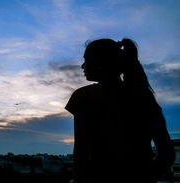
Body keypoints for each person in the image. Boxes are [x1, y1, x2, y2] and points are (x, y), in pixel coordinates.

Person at [65, 38, 175, 183]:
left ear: (100, 62)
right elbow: (167, 153)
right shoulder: (143, 95)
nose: (82, 66)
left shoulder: (84, 96)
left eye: (87, 59)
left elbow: (81, 152)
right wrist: (146, 176)